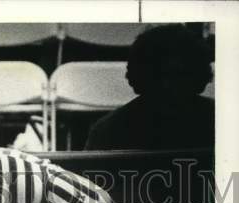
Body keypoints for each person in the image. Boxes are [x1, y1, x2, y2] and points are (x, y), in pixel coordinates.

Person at [85, 24, 214, 151]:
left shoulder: (221, 120)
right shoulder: (108, 131)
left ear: (198, 76)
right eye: (158, 76)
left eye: (178, 76)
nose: (167, 86)